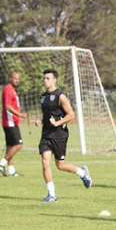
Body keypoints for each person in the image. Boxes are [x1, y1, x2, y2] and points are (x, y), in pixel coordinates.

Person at [36, 68, 92, 202]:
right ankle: (51, 195)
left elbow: (71, 115)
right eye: (44, 78)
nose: (45, 80)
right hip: (46, 134)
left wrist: (57, 123)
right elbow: (48, 115)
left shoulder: (60, 96)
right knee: (45, 161)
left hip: (60, 135)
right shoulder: (43, 97)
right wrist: (41, 120)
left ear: (54, 80)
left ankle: (82, 173)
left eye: (48, 78)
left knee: (60, 165)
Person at [0, 70, 28, 177]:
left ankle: (11, 171)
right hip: (9, 122)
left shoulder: (12, 89)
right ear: (10, 78)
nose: (17, 80)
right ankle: (1, 163)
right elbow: (7, 106)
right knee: (19, 144)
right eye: (15, 78)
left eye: (18, 79)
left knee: (10, 147)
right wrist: (20, 114)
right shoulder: (8, 89)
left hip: (12, 121)